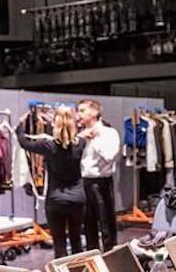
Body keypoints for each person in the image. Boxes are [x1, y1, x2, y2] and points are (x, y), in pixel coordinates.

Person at [16, 106, 86, 258]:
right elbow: (79, 137)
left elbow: (24, 143)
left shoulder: (47, 146)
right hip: (77, 198)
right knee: (76, 242)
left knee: (59, 244)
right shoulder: (81, 143)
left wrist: (20, 126)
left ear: (54, 124)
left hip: (56, 199)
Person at [77, 99, 120, 252]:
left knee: (106, 223)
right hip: (83, 182)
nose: (78, 114)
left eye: (82, 110)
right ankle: (91, 257)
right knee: (88, 224)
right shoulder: (80, 135)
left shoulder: (109, 133)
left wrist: (93, 140)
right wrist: (82, 138)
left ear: (94, 113)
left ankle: (111, 256)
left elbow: (110, 156)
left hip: (102, 182)